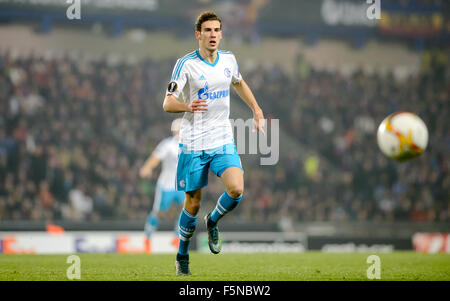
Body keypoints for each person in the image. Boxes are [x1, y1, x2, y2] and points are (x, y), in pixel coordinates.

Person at [163, 11, 265, 276]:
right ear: (198, 34)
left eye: (216, 30)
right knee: (192, 204)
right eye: (207, 30)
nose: (212, 35)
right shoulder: (185, 64)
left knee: (236, 189)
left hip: (222, 138)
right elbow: (167, 103)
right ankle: (182, 255)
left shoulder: (228, 59)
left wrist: (256, 109)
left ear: (221, 33)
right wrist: (188, 105)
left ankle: (213, 220)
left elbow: (239, 83)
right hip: (193, 142)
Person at [139, 118, 185, 252]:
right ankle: (147, 237)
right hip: (167, 186)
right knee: (159, 213)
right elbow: (156, 157)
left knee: (188, 210)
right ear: (175, 130)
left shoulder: (191, 145)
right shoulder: (167, 145)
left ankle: (177, 238)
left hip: (182, 186)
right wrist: (148, 167)